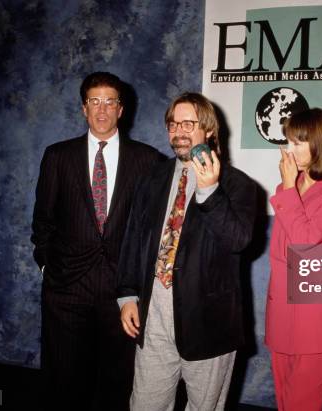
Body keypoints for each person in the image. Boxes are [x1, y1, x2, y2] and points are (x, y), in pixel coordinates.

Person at [117, 92, 257, 411]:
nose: (178, 130)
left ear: (208, 129)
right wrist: (126, 295)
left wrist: (209, 192)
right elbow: (133, 240)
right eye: (172, 123)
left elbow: (239, 240)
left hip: (210, 324)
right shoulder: (151, 179)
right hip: (154, 318)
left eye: (188, 123)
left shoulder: (238, 186)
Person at [31, 71, 162, 411]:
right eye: (94, 102)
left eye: (110, 102)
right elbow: (43, 220)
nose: (102, 110)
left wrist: (139, 284)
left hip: (123, 293)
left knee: (118, 383)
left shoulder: (148, 161)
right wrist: (48, 266)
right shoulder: (58, 157)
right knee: (65, 383)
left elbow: (153, 230)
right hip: (67, 289)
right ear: (83, 108)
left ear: (122, 109)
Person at [265, 108, 322, 411]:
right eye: (288, 141)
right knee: (284, 401)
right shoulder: (286, 188)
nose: (288, 150)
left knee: (303, 405)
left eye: (297, 143)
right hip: (281, 308)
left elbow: (305, 241)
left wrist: (290, 188)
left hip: (316, 314)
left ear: (319, 143)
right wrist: (289, 188)